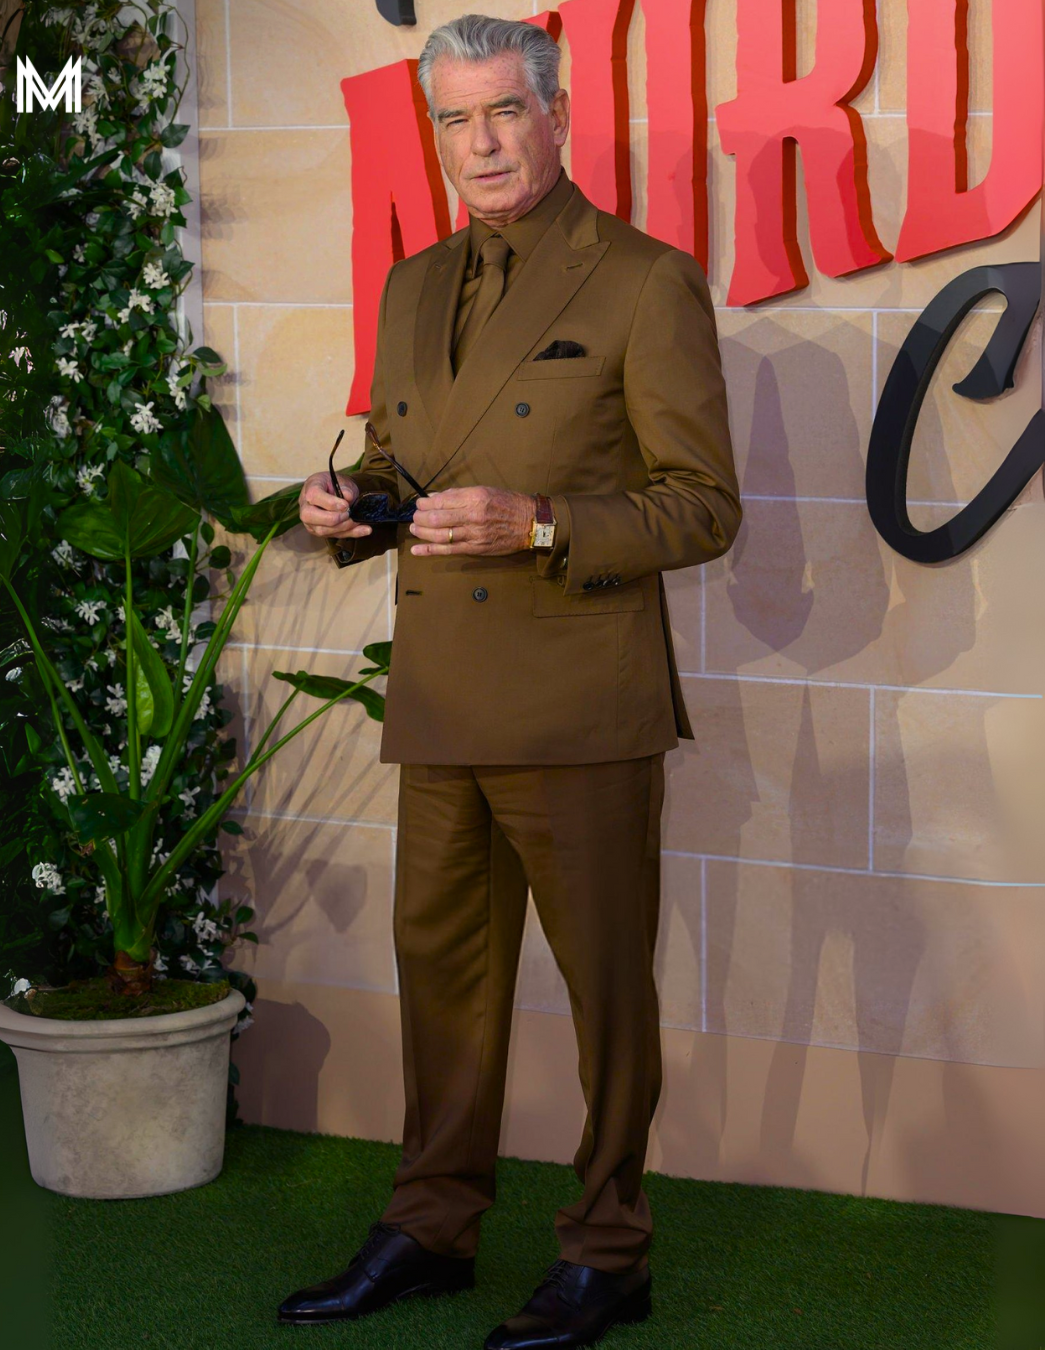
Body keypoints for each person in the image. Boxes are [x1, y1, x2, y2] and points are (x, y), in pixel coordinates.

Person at [280, 14, 741, 1349]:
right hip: (442, 695)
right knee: (443, 980)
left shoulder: (644, 281)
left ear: (557, 118)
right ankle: (431, 1223)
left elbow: (704, 506)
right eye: (455, 119)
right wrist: (351, 506)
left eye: (503, 112)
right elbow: (404, 464)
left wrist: (538, 523)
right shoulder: (413, 285)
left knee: (605, 996)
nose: (480, 143)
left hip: (580, 703)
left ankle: (609, 1250)